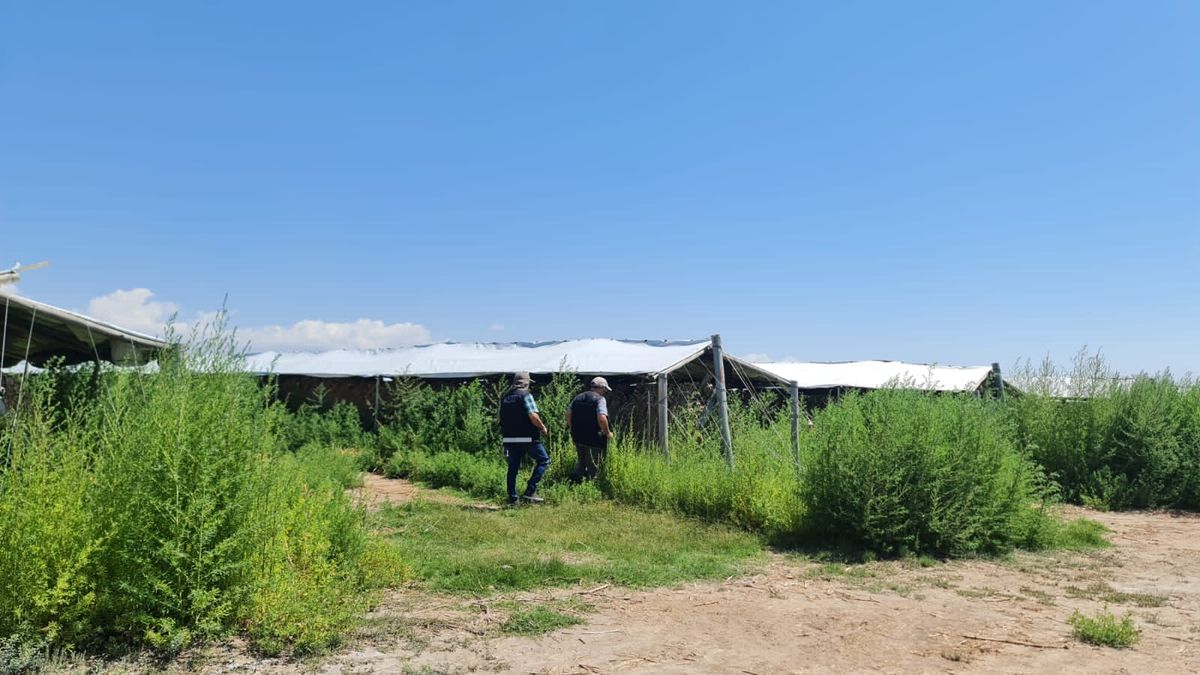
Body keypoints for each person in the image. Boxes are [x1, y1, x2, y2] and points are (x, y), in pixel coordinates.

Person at [498, 372, 550, 504]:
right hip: (528, 438)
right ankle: (530, 491)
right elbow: (533, 416)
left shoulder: (505, 397)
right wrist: (542, 427)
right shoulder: (526, 395)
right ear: (526, 383)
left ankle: (512, 498)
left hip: (509, 438)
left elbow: (499, 418)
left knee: (513, 468)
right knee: (544, 460)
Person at [566, 376, 613, 482]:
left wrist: (572, 427)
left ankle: (575, 480)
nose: (605, 392)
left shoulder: (578, 397)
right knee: (594, 464)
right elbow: (601, 418)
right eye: (605, 389)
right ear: (602, 387)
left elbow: (568, 413)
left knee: (581, 461)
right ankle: (592, 483)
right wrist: (607, 433)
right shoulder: (600, 399)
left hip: (578, 435)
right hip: (594, 437)